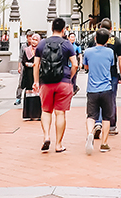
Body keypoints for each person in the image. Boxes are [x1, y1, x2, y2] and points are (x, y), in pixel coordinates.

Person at [33, 17, 77, 153]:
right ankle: (58, 145)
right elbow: (75, 64)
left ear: (51, 28)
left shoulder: (42, 44)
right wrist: (70, 76)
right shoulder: (67, 44)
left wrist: (36, 81)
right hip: (63, 81)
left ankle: (46, 136)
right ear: (64, 30)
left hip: (46, 82)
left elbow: (36, 64)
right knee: (60, 113)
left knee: (46, 111)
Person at [83, 29, 116, 154]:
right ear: (107, 40)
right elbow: (111, 65)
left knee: (91, 115)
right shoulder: (110, 52)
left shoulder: (88, 52)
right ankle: (104, 143)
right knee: (107, 117)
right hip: (106, 88)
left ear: (95, 38)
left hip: (92, 89)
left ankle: (90, 134)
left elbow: (86, 66)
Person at [96, 19, 121, 137]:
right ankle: (112, 125)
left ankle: (98, 122)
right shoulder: (116, 41)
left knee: (97, 98)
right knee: (111, 99)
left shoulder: (95, 40)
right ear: (111, 29)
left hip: (97, 73)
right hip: (111, 73)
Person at [21, 33, 42, 120]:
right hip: (29, 74)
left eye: (36, 40)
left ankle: (37, 114)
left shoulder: (41, 50)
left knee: (37, 94)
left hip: (38, 74)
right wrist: (31, 65)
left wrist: (38, 66)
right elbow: (23, 61)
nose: (34, 42)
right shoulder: (26, 50)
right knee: (29, 93)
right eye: (33, 39)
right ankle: (29, 114)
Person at [16, 30, 33, 105]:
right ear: (27, 37)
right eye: (29, 37)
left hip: (32, 67)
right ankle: (18, 97)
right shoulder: (24, 46)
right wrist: (19, 67)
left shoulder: (35, 46)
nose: (31, 39)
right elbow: (20, 57)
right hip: (24, 66)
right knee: (21, 82)